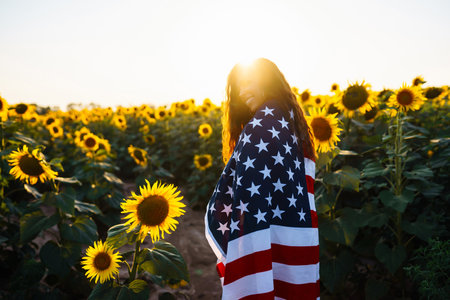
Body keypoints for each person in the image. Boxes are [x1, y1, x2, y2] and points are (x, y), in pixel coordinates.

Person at [204, 58, 320, 299]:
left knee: (262, 283)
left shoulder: (261, 126)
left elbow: (242, 196)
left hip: (264, 230)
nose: (244, 92)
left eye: (249, 82)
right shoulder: (290, 122)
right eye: (238, 88)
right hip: (295, 233)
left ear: (268, 81)